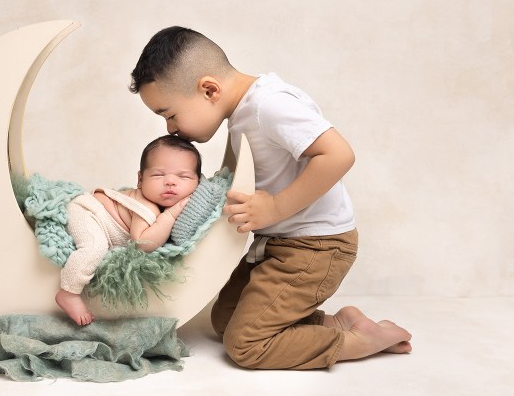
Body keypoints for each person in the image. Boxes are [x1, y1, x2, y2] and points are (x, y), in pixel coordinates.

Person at [129, 26, 412, 369]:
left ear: (209, 89)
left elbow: (338, 155)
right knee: (225, 319)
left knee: (246, 345)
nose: (170, 129)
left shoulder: (269, 105)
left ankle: (358, 341)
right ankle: (339, 322)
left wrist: (276, 207)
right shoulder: (243, 112)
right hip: (278, 244)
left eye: (169, 114)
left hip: (315, 247)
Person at [56, 134, 199, 325]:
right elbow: (141, 243)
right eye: (158, 174)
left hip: (95, 216)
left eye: (183, 176)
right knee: (94, 247)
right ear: (140, 179)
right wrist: (170, 216)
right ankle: (68, 292)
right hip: (86, 212)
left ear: (198, 182)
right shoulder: (146, 205)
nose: (170, 182)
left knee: (98, 245)